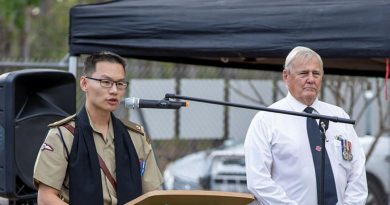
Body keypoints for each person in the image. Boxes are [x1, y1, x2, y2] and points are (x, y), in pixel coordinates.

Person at [33, 51, 163, 205]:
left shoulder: (136, 137)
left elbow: (153, 196)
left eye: (120, 83)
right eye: (106, 82)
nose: (114, 90)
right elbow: (46, 198)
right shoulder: (63, 135)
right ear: (84, 83)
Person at [244, 46, 367, 205]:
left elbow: (357, 173)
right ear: (286, 76)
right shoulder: (266, 120)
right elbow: (258, 181)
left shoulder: (339, 117)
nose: (311, 79)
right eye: (303, 73)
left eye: (316, 73)